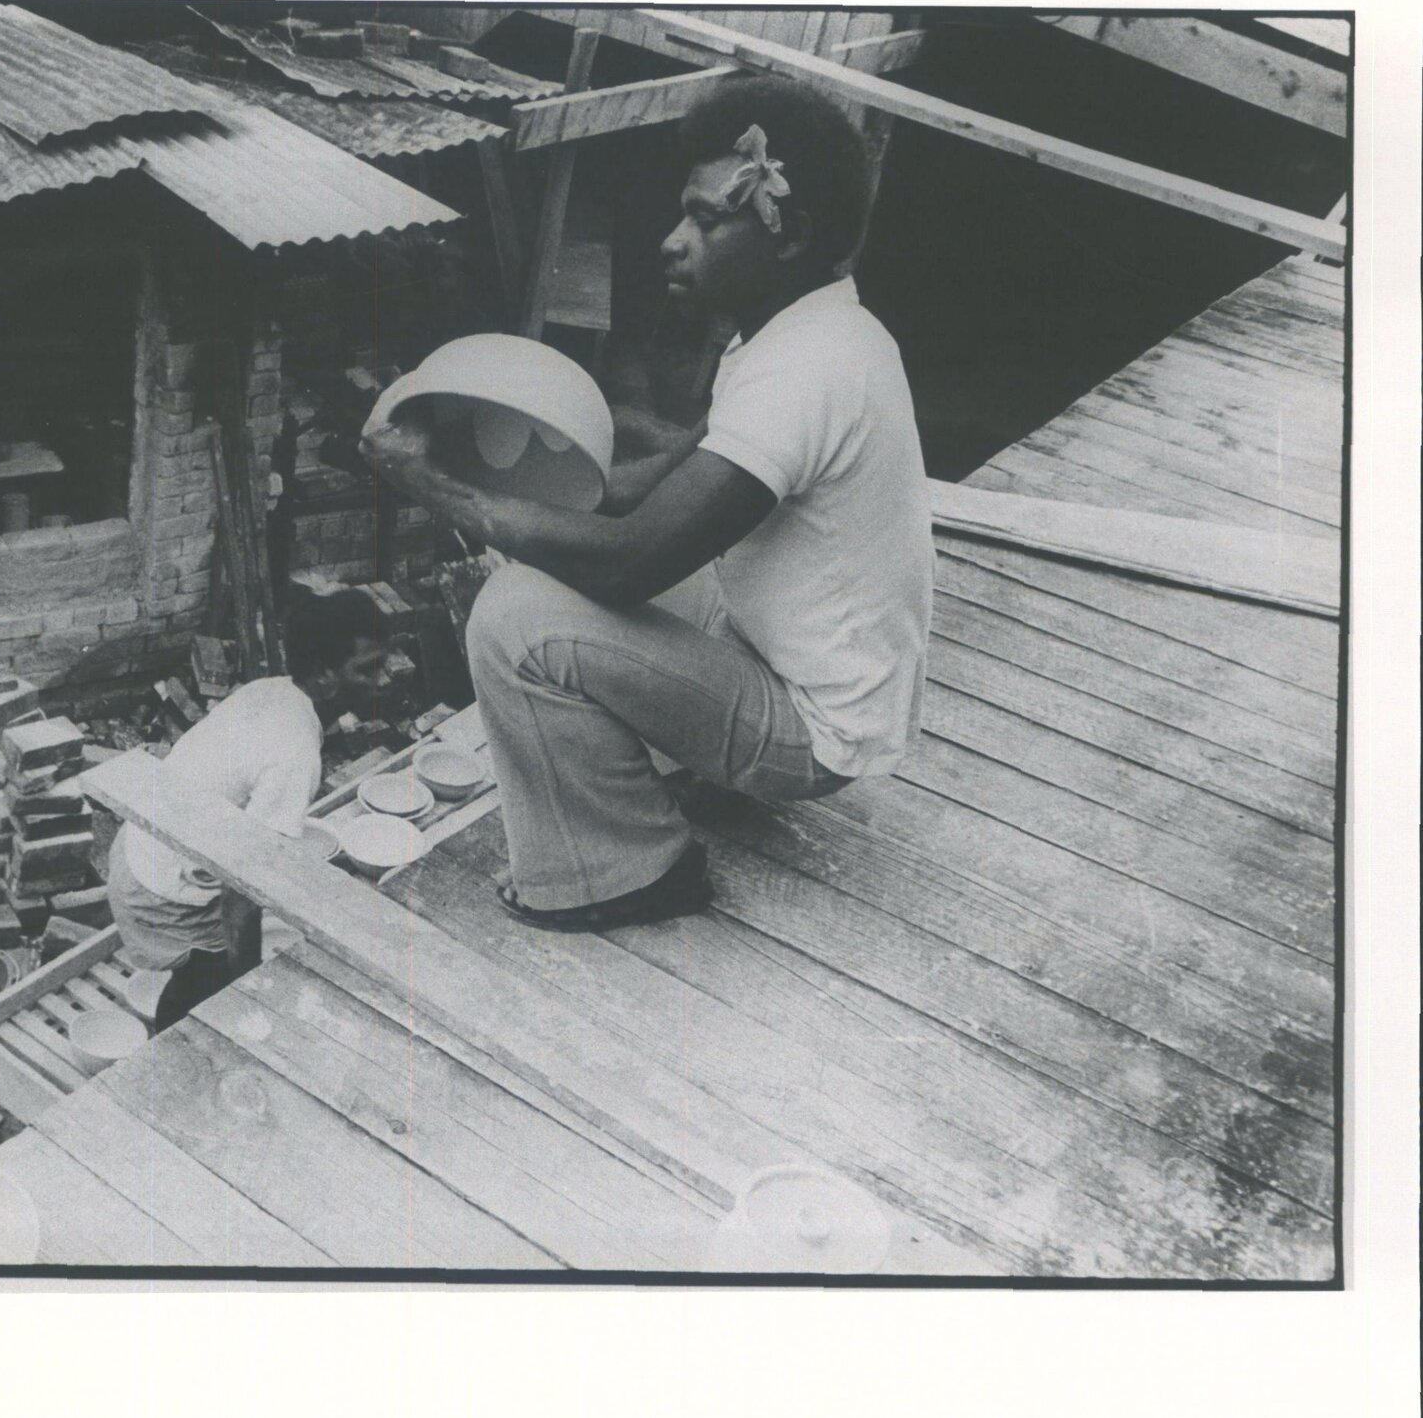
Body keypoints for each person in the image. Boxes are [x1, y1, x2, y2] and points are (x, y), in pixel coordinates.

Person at [360, 75, 934, 932]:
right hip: (781, 649)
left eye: (705, 221)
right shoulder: (814, 331)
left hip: (813, 732)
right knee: (549, 558)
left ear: (790, 235)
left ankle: (625, 871)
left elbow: (628, 563)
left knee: (515, 615)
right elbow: (642, 487)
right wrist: (494, 447)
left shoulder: (806, 371)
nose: (672, 242)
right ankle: (655, 779)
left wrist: (429, 485)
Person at [104, 586, 387, 1030]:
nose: (383, 680)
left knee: (216, 975)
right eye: (367, 669)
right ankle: (170, 1047)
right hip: (157, 891)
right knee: (210, 985)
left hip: (138, 846)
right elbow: (243, 891)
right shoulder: (295, 752)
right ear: (325, 675)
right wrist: (250, 987)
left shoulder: (270, 690)